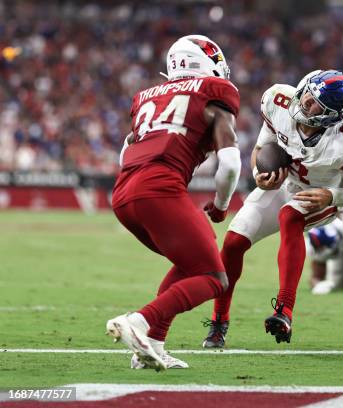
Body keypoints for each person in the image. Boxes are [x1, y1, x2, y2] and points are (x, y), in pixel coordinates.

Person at [203, 69, 343, 347]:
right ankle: (218, 323)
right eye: (307, 96)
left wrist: (331, 196)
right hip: (285, 184)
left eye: (315, 105)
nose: (305, 104)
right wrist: (258, 174)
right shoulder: (278, 101)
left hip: (321, 195)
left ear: (332, 117)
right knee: (233, 242)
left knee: (290, 217)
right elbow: (262, 150)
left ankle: (284, 311)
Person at [106, 34, 241, 370]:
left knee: (195, 256)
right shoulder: (215, 94)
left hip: (124, 193)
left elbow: (126, 151)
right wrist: (222, 204)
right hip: (159, 189)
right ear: (210, 64)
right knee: (214, 278)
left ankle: (152, 343)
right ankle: (140, 321)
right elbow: (231, 164)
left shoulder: (147, 97)